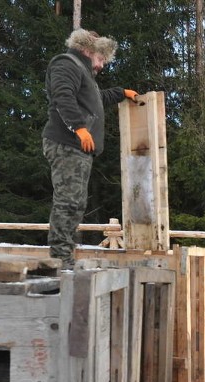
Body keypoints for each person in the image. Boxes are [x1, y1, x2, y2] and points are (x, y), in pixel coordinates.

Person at [42, 28, 143, 270]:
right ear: (88, 51)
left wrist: (120, 93)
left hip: (77, 146)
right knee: (68, 201)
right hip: (67, 143)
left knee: (75, 202)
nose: (102, 65)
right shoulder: (67, 64)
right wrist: (79, 127)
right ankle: (60, 259)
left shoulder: (83, 72)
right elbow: (62, 96)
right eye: (101, 59)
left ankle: (64, 256)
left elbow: (96, 100)